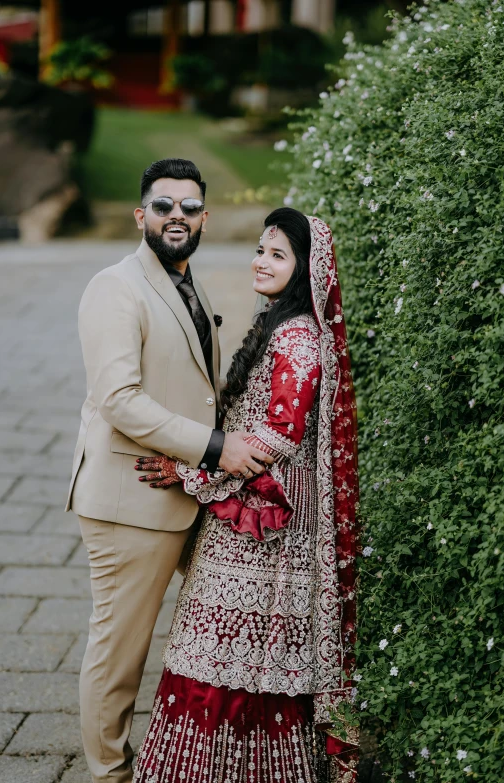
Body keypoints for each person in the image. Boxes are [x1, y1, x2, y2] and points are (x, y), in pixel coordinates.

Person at [132, 207, 360, 782]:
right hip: (248, 516)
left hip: (269, 529)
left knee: (235, 658)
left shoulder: (300, 340)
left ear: (305, 267)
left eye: (278, 254)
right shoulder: (280, 326)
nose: (262, 261)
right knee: (212, 648)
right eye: (261, 249)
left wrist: (190, 472)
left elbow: (273, 440)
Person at [64, 158, 272, 783]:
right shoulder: (116, 285)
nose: (175, 215)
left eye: (187, 207)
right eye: (163, 205)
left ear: (204, 217)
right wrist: (216, 448)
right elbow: (119, 399)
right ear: (141, 214)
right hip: (130, 498)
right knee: (119, 652)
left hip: (176, 489)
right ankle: (109, 774)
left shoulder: (187, 282)